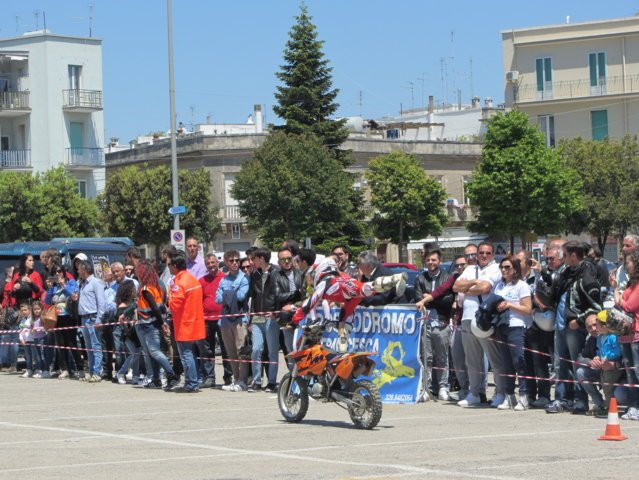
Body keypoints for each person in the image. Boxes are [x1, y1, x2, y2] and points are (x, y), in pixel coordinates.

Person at [291, 257, 407, 353]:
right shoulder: (338, 276)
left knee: (365, 288)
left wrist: (294, 320)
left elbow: (310, 303)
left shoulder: (325, 281)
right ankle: (343, 349)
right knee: (344, 319)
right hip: (348, 298)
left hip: (345, 290)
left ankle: (395, 279)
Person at [544, 241, 602, 414]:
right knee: (561, 364)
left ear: (573, 255)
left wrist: (580, 319)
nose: (563, 258)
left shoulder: (587, 273)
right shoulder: (565, 273)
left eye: (565, 255)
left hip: (575, 327)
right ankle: (563, 399)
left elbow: (597, 306)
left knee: (577, 363)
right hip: (560, 325)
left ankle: (580, 400)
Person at [453, 242, 504, 408]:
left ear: (492, 254)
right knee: (472, 359)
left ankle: (501, 392)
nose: (483, 256)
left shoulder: (495, 268)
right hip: (467, 317)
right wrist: (473, 283)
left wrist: (467, 287)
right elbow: (455, 286)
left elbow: (484, 288)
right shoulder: (470, 269)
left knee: (494, 358)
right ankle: (475, 392)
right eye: (481, 253)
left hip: (484, 318)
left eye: (487, 253)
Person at [414, 248, 454, 401]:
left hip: (442, 321)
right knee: (426, 356)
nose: (431, 263)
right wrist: (436, 297)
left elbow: (448, 300)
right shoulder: (420, 278)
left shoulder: (447, 277)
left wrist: (430, 297)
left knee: (442, 356)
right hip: (425, 323)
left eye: (434, 260)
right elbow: (418, 299)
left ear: (440, 261)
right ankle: (427, 387)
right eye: (428, 260)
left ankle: (443, 386)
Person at [493, 255, 533, 411]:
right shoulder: (499, 286)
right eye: (502, 267)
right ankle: (509, 396)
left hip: (516, 326)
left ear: (515, 269)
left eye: (507, 267)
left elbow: (527, 309)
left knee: (519, 361)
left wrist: (509, 304)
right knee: (506, 364)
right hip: (501, 326)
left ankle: (524, 396)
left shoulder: (521, 286)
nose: (504, 270)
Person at [134, 260, 180, 390]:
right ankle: (156, 379)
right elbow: (161, 305)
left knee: (154, 351)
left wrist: (162, 323)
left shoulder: (145, 289)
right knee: (151, 351)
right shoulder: (157, 286)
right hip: (154, 322)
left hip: (149, 324)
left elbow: (154, 307)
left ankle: (171, 375)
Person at [167, 250, 206, 393]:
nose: (169, 267)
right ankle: (193, 381)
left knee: (186, 354)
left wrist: (169, 297)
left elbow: (174, 305)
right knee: (190, 353)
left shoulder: (179, 282)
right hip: (193, 322)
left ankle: (191, 383)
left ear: (176, 265)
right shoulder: (191, 279)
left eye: (170, 265)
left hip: (184, 323)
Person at [248, 248, 281, 392]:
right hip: (257, 316)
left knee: (272, 351)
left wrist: (275, 312)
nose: (251, 262)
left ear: (261, 258)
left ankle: (272, 381)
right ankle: (257, 380)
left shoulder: (276, 272)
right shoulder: (254, 274)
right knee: (256, 349)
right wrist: (250, 317)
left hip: (271, 316)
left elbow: (278, 294)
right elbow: (252, 297)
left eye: (253, 259)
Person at [218, 250, 251, 392]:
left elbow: (241, 296)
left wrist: (227, 294)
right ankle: (236, 379)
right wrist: (231, 293)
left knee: (241, 351)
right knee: (231, 352)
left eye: (237, 260)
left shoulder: (244, 278)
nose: (234, 263)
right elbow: (217, 299)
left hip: (240, 320)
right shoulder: (223, 280)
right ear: (226, 262)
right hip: (225, 321)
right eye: (231, 261)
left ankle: (243, 381)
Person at [198, 253, 232, 388]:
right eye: (208, 263)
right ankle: (209, 377)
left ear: (217, 263)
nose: (211, 265)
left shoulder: (225, 278)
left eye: (213, 262)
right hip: (206, 319)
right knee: (207, 349)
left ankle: (228, 376)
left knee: (226, 348)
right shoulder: (202, 281)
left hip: (222, 318)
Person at [45, 265, 82, 379]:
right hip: (57, 318)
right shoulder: (54, 287)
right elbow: (47, 300)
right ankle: (65, 369)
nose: (57, 274)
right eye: (54, 272)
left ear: (64, 272)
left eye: (59, 271)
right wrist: (50, 288)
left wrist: (63, 285)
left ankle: (80, 369)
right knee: (61, 344)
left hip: (69, 316)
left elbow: (73, 295)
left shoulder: (71, 282)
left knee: (72, 343)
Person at [617, 248, 639, 420]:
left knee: (637, 372)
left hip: (636, 333)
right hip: (625, 333)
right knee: (630, 373)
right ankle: (633, 406)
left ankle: (636, 406)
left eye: (629, 262)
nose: (626, 265)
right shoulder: (631, 284)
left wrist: (616, 293)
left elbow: (629, 306)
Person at [274, 247, 304, 369]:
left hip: (302, 316)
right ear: (279, 262)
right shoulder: (275, 276)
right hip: (287, 319)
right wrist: (296, 293)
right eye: (283, 259)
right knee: (290, 349)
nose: (286, 262)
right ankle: (293, 379)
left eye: (289, 258)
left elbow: (305, 294)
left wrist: (294, 302)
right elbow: (278, 296)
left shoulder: (301, 274)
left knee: (303, 348)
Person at [76, 259, 106, 383]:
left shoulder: (96, 282)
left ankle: (97, 372)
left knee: (96, 345)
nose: (78, 271)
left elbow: (101, 303)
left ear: (85, 270)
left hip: (93, 318)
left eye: (79, 269)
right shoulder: (82, 284)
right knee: (88, 347)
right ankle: (91, 371)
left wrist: (99, 319)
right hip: (84, 318)